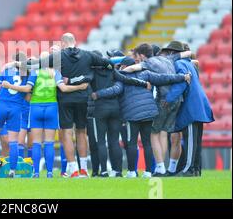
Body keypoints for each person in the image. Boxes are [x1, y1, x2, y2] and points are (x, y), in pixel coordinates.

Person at [25, 33, 113, 178]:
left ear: (63, 43)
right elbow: (106, 63)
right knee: (81, 132)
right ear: (74, 41)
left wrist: (22, 63)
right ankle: (84, 169)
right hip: (82, 98)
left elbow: (36, 64)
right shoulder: (88, 55)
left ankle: (73, 169)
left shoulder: (58, 56)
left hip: (64, 99)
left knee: (66, 133)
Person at [92, 57, 191, 178]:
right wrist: (182, 77)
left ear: (124, 67)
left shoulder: (122, 76)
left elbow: (116, 90)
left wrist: (98, 94)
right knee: (147, 143)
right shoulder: (146, 73)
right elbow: (164, 78)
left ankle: (132, 172)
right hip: (149, 112)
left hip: (132, 114)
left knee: (132, 142)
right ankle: (148, 171)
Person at [2, 51, 89, 178]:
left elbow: (27, 90)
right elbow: (63, 89)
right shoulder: (55, 72)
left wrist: (10, 86)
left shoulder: (35, 72)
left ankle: (36, 173)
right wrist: (80, 87)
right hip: (51, 108)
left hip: (36, 107)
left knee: (36, 142)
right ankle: (49, 173)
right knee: (49, 143)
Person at [123, 43, 193, 176]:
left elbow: (132, 69)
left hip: (163, 100)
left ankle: (160, 167)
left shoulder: (148, 63)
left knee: (153, 133)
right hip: (177, 99)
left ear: (142, 55)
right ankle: (165, 167)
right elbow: (188, 53)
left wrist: (119, 72)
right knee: (164, 133)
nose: (136, 59)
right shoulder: (168, 58)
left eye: (137, 57)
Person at [90, 51, 150, 177]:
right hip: (115, 109)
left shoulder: (92, 73)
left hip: (99, 108)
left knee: (101, 141)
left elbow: (83, 82)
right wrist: (143, 83)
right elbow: (127, 80)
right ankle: (117, 171)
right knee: (114, 140)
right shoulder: (112, 71)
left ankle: (104, 171)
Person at [162, 41, 215, 177]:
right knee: (196, 141)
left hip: (191, 107)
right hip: (199, 105)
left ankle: (188, 169)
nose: (168, 55)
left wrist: (168, 99)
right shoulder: (189, 64)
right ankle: (196, 169)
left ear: (173, 52)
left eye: (169, 52)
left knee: (190, 140)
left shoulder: (179, 64)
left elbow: (181, 85)